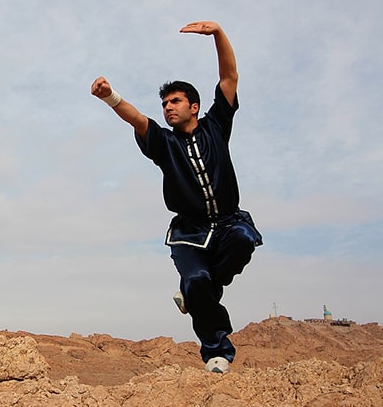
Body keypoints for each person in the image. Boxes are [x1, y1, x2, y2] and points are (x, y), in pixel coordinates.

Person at [90, 21, 262, 374]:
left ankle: (194, 290)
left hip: (230, 224)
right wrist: (109, 95)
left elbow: (229, 78)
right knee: (197, 281)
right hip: (189, 233)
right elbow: (137, 119)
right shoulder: (164, 144)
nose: (168, 107)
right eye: (165, 103)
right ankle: (217, 352)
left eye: (175, 101)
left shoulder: (216, 125)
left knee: (244, 241)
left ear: (194, 106)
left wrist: (218, 34)